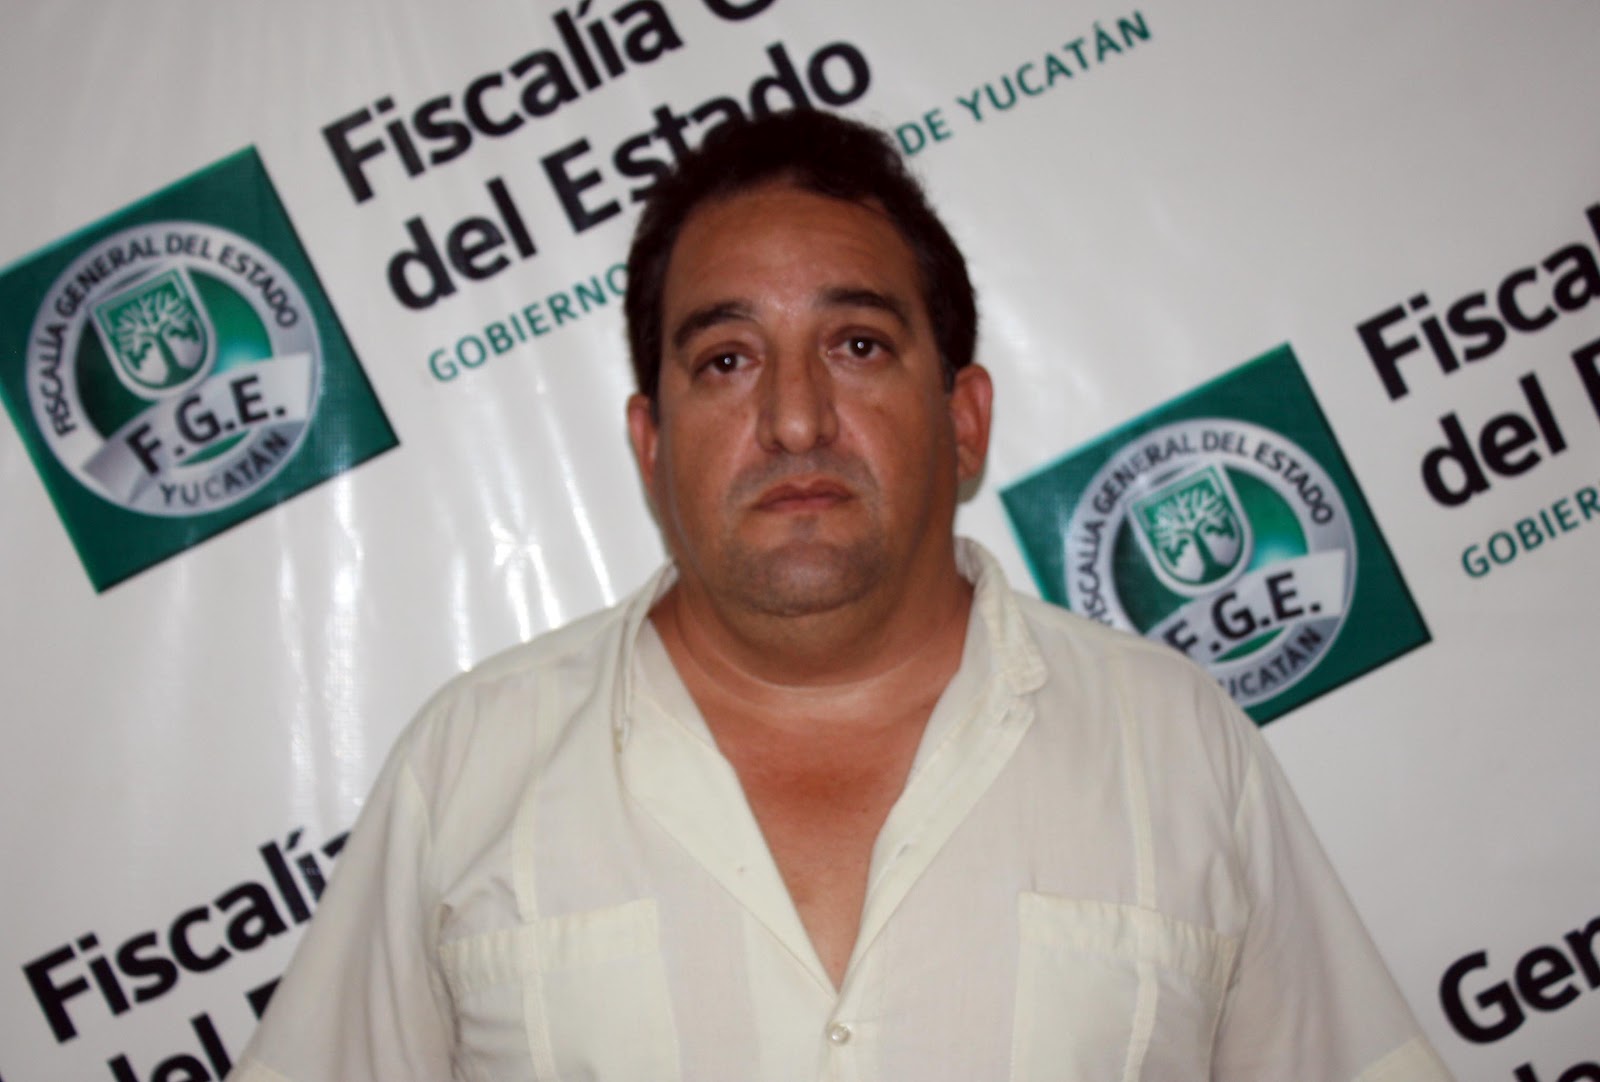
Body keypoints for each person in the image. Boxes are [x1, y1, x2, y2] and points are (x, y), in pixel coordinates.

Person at [230, 109, 1453, 1081]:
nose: (795, 418)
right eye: (726, 359)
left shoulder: (1172, 743)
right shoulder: (469, 766)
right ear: (651, 443)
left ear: (963, 418)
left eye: (857, 345)